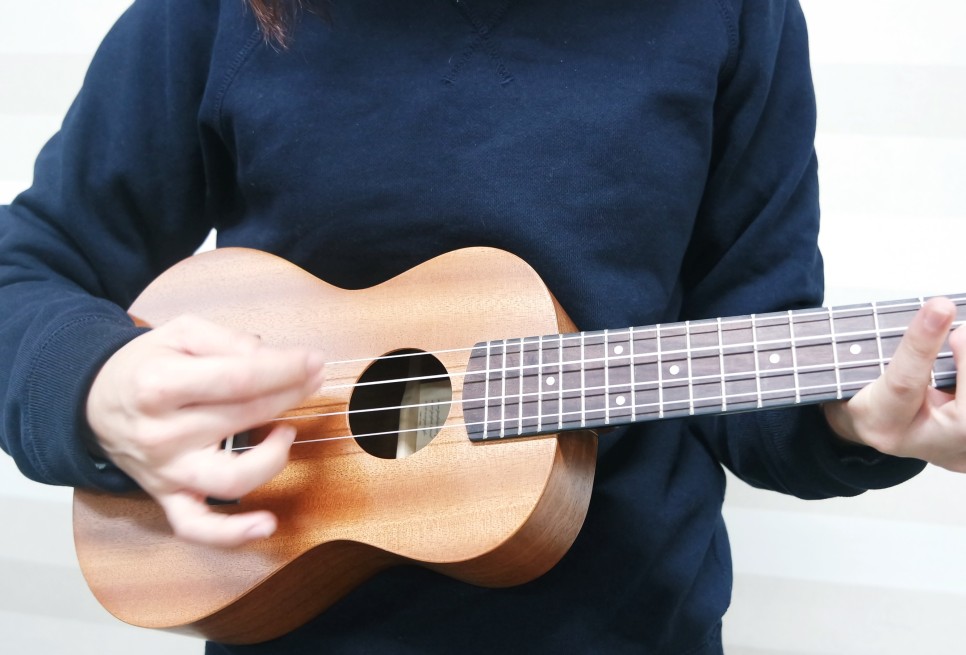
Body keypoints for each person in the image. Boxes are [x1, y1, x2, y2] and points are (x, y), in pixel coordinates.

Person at [1, 0, 964, 653]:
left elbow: (750, 353)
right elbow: (23, 272)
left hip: (630, 629)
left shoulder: (733, 15)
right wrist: (93, 386)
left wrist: (855, 419)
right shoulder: (217, 15)